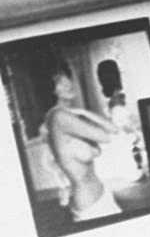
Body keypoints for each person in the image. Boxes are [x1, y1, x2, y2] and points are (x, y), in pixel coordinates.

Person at [38, 54, 125, 222]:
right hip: (90, 205)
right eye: (59, 82)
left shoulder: (68, 116)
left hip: (103, 194)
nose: (68, 84)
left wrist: (83, 112)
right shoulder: (59, 117)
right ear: (50, 89)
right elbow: (106, 136)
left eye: (67, 77)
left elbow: (113, 129)